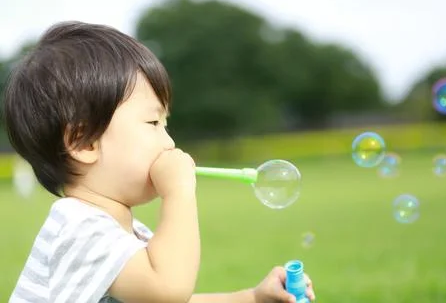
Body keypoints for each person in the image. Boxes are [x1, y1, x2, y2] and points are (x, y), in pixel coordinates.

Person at [4, 21, 316, 303]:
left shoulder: (117, 230)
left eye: (166, 125)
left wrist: (252, 298)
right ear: (84, 142)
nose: (169, 143)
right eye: (153, 123)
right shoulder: (79, 227)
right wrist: (178, 193)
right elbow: (168, 292)